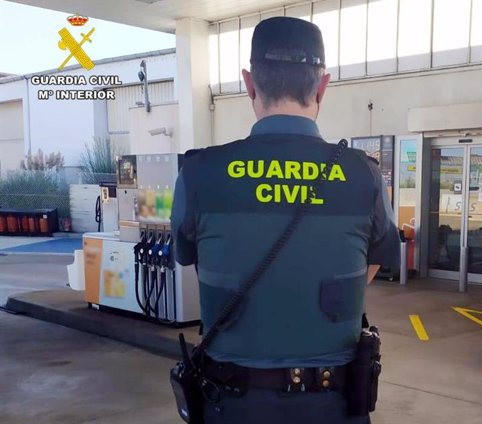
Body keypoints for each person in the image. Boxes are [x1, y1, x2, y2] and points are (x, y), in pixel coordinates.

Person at [171, 16, 400, 424]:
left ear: (249, 83)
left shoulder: (199, 173)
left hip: (233, 405)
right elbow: (374, 259)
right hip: (332, 406)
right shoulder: (362, 175)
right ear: (322, 86)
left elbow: (192, 259)